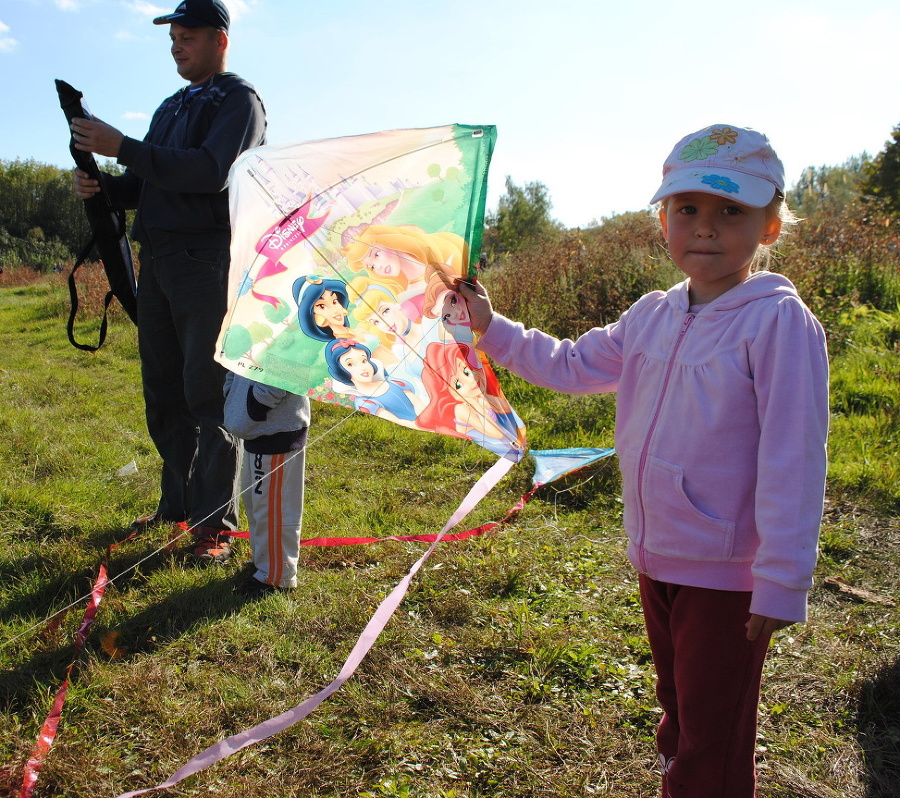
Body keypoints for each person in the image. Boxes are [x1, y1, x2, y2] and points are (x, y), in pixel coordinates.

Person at [459, 124, 830, 797]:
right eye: (687, 209)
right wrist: (490, 327)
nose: (706, 228)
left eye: (731, 211)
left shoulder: (777, 323)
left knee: (712, 739)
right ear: (663, 220)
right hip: (656, 555)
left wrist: (780, 579)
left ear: (771, 227)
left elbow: (794, 457)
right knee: (681, 712)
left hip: (729, 576)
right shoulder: (650, 315)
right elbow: (570, 364)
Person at [70, 0, 267, 564]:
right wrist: (106, 186)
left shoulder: (238, 101)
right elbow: (145, 183)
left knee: (208, 394)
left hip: (206, 265)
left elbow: (210, 172)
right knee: (164, 390)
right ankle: (175, 505)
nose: (177, 45)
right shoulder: (170, 106)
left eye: (189, 35)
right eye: (173, 36)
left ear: (220, 40)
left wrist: (124, 147)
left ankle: (214, 526)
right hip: (155, 264)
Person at [223, 372, 310, 594]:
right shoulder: (256, 335)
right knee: (255, 503)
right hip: (256, 430)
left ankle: (276, 577)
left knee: (273, 510)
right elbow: (238, 362)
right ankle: (264, 564)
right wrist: (233, 393)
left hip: (276, 431)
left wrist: (256, 404)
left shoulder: (288, 336)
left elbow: (288, 370)